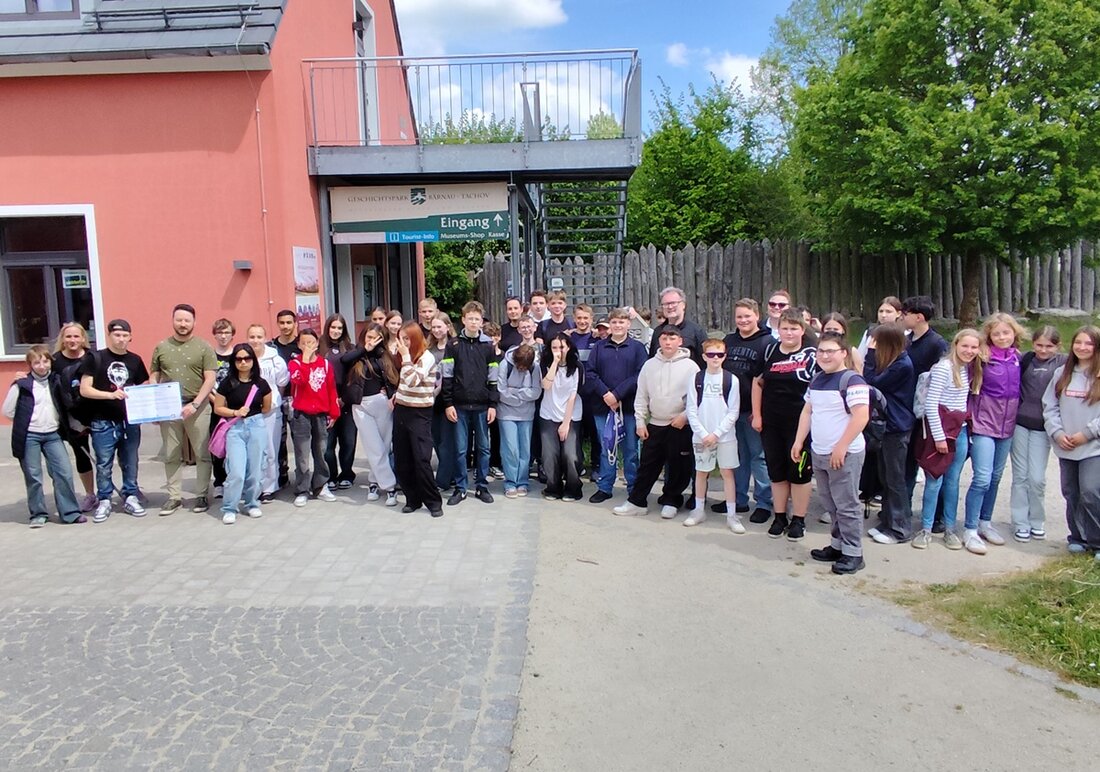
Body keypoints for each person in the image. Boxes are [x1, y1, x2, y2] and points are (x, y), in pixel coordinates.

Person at [796, 332, 871, 575]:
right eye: (821, 351)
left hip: (845, 454)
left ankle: (853, 552)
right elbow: (807, 412)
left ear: (844, 354)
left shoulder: (852, 381)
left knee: (847, 504)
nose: (825, 356)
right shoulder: (817, 379)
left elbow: (861, 416)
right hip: (819, 452)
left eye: (831, 351)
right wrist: (799, 441)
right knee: (830, 502)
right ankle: (837, 545)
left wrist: (842, 446)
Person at [612, 326, 699, 517]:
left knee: (678, 466)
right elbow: (641, 395)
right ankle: (637, 502)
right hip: (656, 423)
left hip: (679, 424)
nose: (668, 342)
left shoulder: (691, 367)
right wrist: (640, 422)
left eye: (672, 338)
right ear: (659, 341)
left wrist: (684, 416)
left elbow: (697, 398)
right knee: (648, 465)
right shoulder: (650, 365)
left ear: (680, 341)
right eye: (664, 339)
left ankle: (672, 500)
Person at [911, 329, 983, 550]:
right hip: (940, 432)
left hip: (959, 431)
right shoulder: (944, 368)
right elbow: (932, 404)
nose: (969, 351)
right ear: (956, 345)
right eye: (965, 346)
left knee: (953, 482)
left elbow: (961, 402)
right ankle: (926, 529)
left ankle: (950, 529)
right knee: (934, 480)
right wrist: (940, 438)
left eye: (974, 347)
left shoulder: (968, 369)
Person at [751, 308, 818, 540]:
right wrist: (757, 415)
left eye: (793, 328)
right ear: (778, 329)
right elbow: (757, 383)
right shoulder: (769, 350)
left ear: (802, 330)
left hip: (800, 423)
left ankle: (798, 519)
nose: (789, 333)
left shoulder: (812, 353)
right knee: (776, 470)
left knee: (798, 472)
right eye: (784, 328)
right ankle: (779, 516)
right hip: (771, 422)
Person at [963, 312, 1024, 552]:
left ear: (1014, 333)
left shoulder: (1018, 358)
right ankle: (969, 529)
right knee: (982, 478)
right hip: (983, 425)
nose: (1001, 337)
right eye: (996, 333)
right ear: (988, 335)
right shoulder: (981, 358)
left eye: (1006, 332)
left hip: (1007, 427)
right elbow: (967, 388)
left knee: (996, 478)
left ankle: (984, 523)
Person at [79, 318, 150, 523]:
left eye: (125, 335)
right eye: (117, 335)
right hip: (102, 421)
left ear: (130, 337)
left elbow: (143, 385)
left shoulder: (135, 360)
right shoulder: (95, 358)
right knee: (104, 463)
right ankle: (104, 499)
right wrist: (110, 395)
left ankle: (130, 495)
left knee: (130, 461)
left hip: (130, 420)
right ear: (109, 336)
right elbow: (85, 389)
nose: (121, 339)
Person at [4, 345, 83, 527]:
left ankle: (70, 512)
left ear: (50, 362)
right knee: (34, 476)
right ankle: (38, 514)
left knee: (63, 472)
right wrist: (26, 419)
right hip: (29, 436)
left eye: (45, 361)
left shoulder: (56, 381)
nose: (41, 366)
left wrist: (76, 426)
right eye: (36, 362)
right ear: (30, 364)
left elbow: (64, 406)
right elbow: (8, 411)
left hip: (53, 434)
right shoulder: (22, 384)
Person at [150, 303, 218, 515]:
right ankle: (174, 497)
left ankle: (201, 495)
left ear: (194, 322)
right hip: (169, 407)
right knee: (171, 453)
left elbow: (210, 378)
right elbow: (154, 375)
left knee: (202, 453)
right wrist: (154, 405)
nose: (182, 324)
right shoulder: (162, 347)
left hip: (197, 405)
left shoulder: (204, 347)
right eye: (179, 320)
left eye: (187, 320)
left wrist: (196, 403)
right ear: (173, 321)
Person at [1043, 326, 1100, 556]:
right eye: (1078, 343)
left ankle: (1097, 541)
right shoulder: (1062, 374)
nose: (1082, 347)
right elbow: (1049, 406)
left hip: (1092, 446)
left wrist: (1085, 434)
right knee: (1071, 492)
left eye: (1088, 343)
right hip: (1066, 445)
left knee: (1091, 491)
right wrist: (1057, 433)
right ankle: (1077, 537)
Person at [717, 299, 774, 521]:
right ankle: (738, 499)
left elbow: (767, 380)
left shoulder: (767, 342)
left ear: (757, 316)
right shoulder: (729, 341)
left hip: (753, 409)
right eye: (739, 317)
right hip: (730, 410)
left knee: (758, 456)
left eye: (747, 316)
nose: (743, 320)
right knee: (737, 455)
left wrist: (759, 412)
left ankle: (763, 502)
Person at [584, 307, 648, 503]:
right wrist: (606, 394)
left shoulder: (637, 348)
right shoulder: (599, 348)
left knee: (630, 450)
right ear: (609, 326)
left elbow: (640, 375)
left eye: (622, 322)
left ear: (628, 324)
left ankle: (633, 488)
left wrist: (618, 394)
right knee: (607, 448)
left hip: (628, 407)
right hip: (604, 407)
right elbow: (590, 372)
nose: (618, 325)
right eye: (614, 322)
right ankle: (605, 487)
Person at [440, 301, 499, 506]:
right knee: (461, 449)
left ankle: (481, 486)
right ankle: (461, 488)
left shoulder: (488, 346)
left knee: (484, 449)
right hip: (459, 406)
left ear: (482, 322)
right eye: (470, 318)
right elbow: (447, 377)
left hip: (483, 407)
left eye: (477, 319)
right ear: (463, 319)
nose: (474, 322)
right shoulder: (453, 345)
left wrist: (493, 405)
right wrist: (448, 403)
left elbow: (494, 378)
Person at [1010, 326, 1066, 541]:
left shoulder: (1063, 362)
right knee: (1020, 476)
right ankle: (1020, 521)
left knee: (1037, 477)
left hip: (1045, 427)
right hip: (1020, 424)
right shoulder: (1024, 360)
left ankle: (1037, 520)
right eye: (1039, 345)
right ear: (1032, 344)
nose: (1043, 350)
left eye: (1049, 346)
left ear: (1057, 346)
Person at [862, 323, 916, 544]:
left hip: (897, 426)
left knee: (895, 478)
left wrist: (869, 355)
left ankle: (899, 529)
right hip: (888, 425)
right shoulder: (893, 361)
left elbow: (872, 383)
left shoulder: (902, 364)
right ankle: (887, 521)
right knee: (885, 476)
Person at [901, 295, 949, 526]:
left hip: (929, 414)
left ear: (918, 316)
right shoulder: (906, 340)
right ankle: (904, 509)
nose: (902, 316)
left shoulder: (937, 344)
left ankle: (937, 516)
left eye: (905, 313)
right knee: (907, 464)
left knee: (931, 465)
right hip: (907, 411)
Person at [684, 338, 741, 530]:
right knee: (701, 472)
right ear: (704, 356)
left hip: (725, 437)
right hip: (701, 436)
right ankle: (699, 510)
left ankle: (732, 515)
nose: (715, 358)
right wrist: (702, 433)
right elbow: (691, 409)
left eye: (719, 354)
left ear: (725, 356)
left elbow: (733, 411)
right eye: (711, 354)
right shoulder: (696, 378)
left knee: (727, 472)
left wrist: (716, 434)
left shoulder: (732, 379)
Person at [213, 342, 273, 524]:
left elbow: (266, 407)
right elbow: (218, 408)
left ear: (253, 361)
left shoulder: (261, 384)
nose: (243, 362)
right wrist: (234, 413)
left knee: (255, 469)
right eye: (238, 359)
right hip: (235, 428)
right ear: (234, 362)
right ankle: (230, 507)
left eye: (247, 358)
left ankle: (252, 503)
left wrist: (251, 416)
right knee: (236, 471)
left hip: (256, 426)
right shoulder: (227, 383)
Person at [343, 323, 399, 506]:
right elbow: (344, 361)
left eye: (376, 338)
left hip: (382, 403)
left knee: (383, 444)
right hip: (361, 405)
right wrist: (364, 349)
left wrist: (390, 392)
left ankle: (374, 482)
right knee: (373, 446)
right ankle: (390, 487)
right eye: (369, 337)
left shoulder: (384, 355)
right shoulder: (356, 355)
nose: (372, 341)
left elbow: (394, 377)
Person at [393, 321, 444, 517]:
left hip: (420, 412)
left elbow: (413, 381)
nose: (403, 343)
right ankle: (412, 499)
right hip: (401, 410)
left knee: (422, 458)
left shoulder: (427, 356)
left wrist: (405, 357)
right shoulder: (404, 356)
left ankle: (433, 502)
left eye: (407, 338)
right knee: (402, 458)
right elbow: (401, 381)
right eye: (401, 338)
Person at [287, 329, 340, 507]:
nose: (308, 346)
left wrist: (334, 413)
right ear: (299, 345)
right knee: (302, 452)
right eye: (304, 343)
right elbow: (298, 381)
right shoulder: (295, 363)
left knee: (321, 450)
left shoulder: (325, 364)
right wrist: (304, 360)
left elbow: (331, 390)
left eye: (311, 342)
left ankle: (321, 485)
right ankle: (302, 488)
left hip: (320, 413)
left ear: (317, 343)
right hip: (301, 414)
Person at [51, 322, 97, 512]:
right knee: (82, 456)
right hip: (71, 420)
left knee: (104, 456)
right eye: (68, 337)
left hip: (95, 414)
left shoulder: (92, 357)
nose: (72, 340)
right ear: (62, 339)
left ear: (83, 338)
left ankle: (105, 493)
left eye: (76, 336)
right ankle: (90, 495)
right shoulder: (54, 361)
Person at [246, 324, 290, 503]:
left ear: (265, 338)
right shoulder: (243, 357)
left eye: (259, 337)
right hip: (249, 411)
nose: (255, 340)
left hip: (271, 410)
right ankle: (254, 485)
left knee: (271, 449)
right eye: (252, 337)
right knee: (253, 450)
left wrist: (273, 400)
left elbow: (281, 382)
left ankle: (269, 487)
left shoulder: (275, 359)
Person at [539, 333, 584, 501]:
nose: (558, 351)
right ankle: (553, 487)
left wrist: (566, 424)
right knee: (550, 454)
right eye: (554, 347)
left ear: (569, 347)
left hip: (570, 414)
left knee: (570, 453)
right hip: (548, 414)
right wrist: (555, 363)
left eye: (562, 347)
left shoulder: (576, 366)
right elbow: (546, 385)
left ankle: (573, 488)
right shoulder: (544, 364)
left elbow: (573, 396)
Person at [498, 343, 542, 498]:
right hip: (506, 413)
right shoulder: (505, 365)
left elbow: (536, 392)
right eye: (519, 366)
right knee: (510, 449)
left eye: (525, 367)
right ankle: (510, 482)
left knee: (525, 449)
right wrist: (522, 396)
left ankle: (522, 481)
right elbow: (501, 392)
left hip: (527, 414)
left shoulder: (535, 367)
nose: (521, 369)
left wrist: (515, 393)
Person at [321, 313, 357, 490]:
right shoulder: (320, 348)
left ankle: (347, 474)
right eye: (333, 327)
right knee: (328, 444)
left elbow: (354, 377)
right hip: (326, 404)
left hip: (346, 402)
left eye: (339, 328)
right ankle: (331, 476)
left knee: (348, 442)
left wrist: (344, 398)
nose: (335, 331)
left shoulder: (350, 348)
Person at [271, 309, 300, 489]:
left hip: (297, 398)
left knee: (299, 439)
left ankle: (302, 475)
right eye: (282, 323)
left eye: (289, 322)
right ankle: (281, 474)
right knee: (278, 439)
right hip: (277, 399)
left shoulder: (301, 345)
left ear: (295, 323)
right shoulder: (271, 348)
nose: (285, 326)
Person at [429, 314, 457, 491]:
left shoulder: (455, 346)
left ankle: (442, 481)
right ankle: (450, 474)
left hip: (449, 400)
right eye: (434, 327)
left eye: (440, 326)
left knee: (447, 442)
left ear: (447, 326)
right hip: (431, 401)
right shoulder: (428, 348)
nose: (437, 330)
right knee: (436, 440)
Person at [647, 287, 707, 368]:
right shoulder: (658, 332)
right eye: (666, 304)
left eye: (673, 303)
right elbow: (652, 360)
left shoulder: (697, 331)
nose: (670, 307)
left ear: (683, 305)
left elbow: (705, 363)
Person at [209, 318, 235, 500]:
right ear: (215, 335)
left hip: (234, 407)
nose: (223, 336)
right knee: (217, 445)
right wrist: (216, 402)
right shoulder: (209, 355)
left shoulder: (238, 354)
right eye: (220, 333)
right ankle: (219, 482)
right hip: (214, 407)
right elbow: (206, 382)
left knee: (235, 445)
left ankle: (234, 480)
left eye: (226, 332)